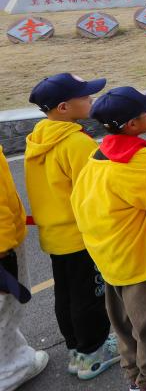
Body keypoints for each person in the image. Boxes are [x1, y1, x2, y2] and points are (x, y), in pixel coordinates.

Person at [71, 87, 146, 391]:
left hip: (109, 260)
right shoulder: (139, 162)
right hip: (141, 265)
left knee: (124, 328)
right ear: (132, 124)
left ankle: (134, 377)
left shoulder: (96, 157)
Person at [25, 73, 118, 379]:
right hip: (80, 236)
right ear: (64, 107)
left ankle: (77, 350)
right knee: (90, 296)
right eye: (85, 96)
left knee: (66, 295)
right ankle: (93, 354)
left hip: (54, 235)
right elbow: (93, 192)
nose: (91, 99)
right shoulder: (76, 143)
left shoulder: (39, 137)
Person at [1, 146, 50, 390]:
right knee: (6, 308)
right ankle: (11, 371)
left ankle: (14, 356)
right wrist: (4, 253)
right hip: (4, 248)